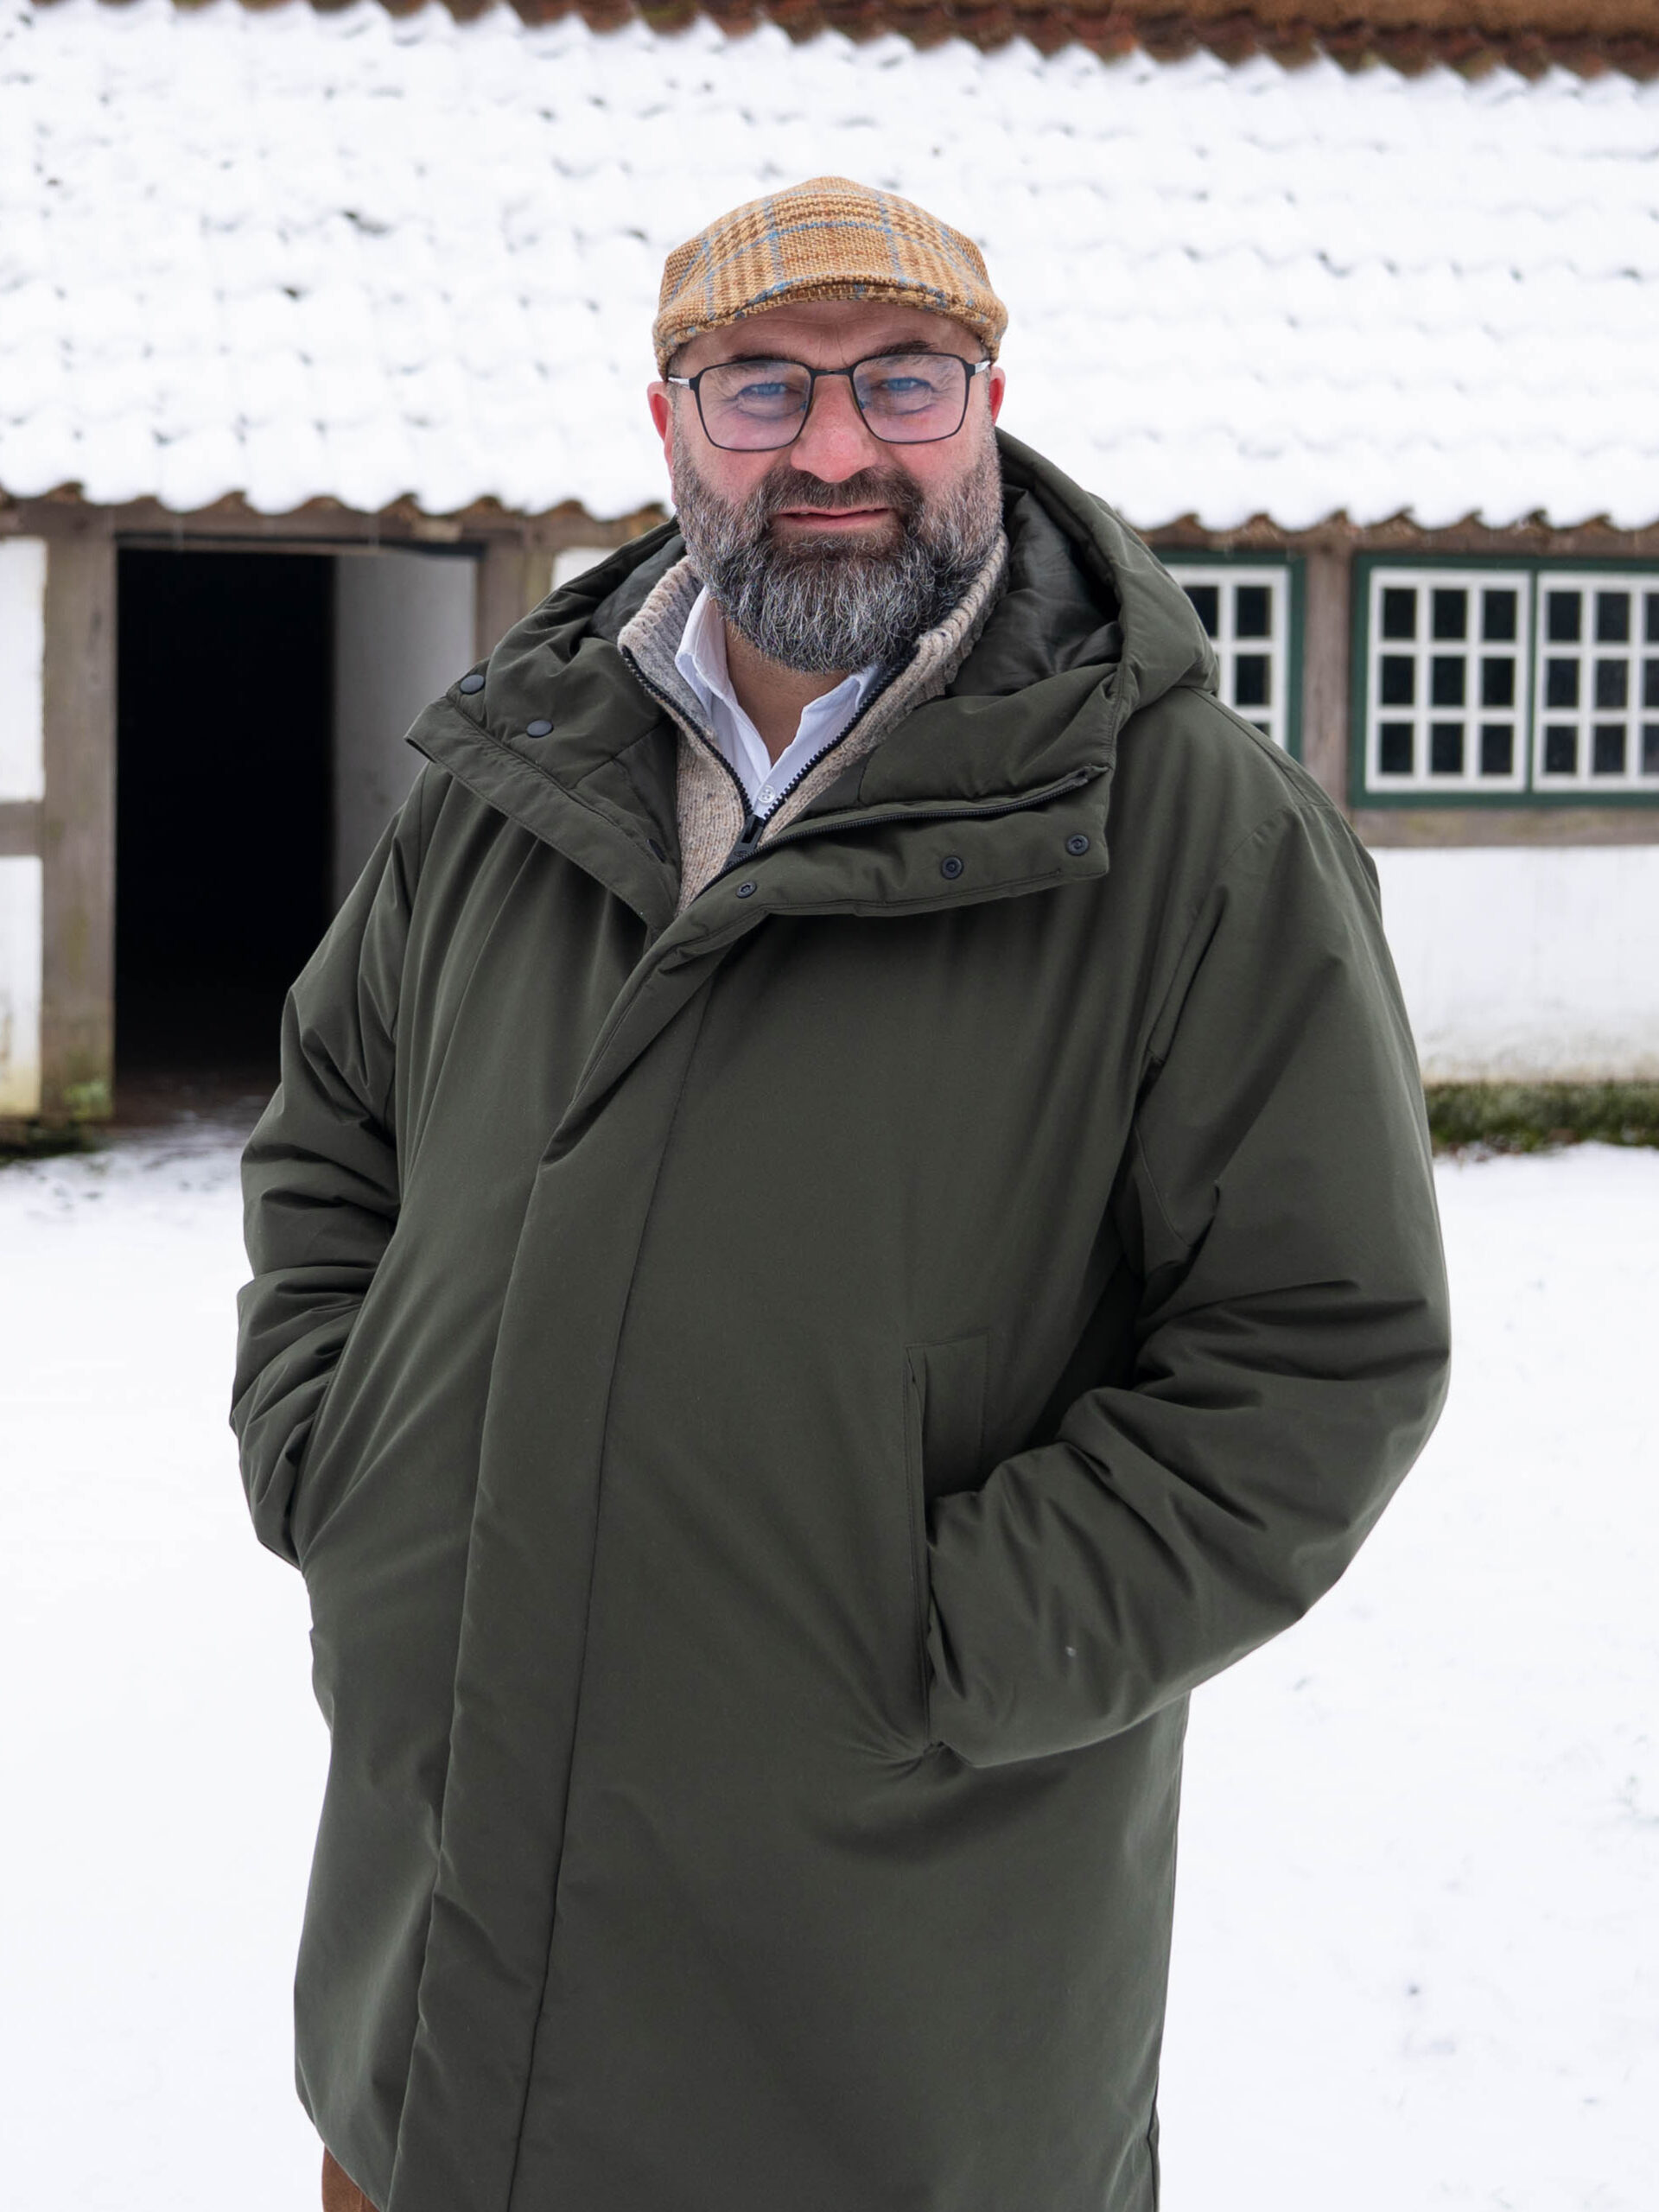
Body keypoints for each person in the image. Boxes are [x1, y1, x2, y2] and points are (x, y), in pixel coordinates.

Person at [232, 175, 1451, 2212]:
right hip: (426, 2016)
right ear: (669, 424)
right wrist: (334, 1450)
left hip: (887, 2028)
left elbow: (1320, 1349)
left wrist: (944, 1635)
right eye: (761, 388)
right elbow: (332, 1123)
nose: (831, 448)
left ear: (988, 406)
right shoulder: (504, 775)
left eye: (901, 380)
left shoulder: (1193, 834)